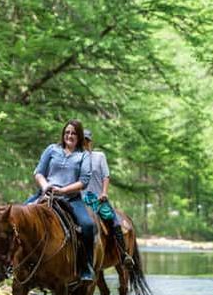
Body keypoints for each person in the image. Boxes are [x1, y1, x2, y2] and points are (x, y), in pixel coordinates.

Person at [27, 120, 97, 281]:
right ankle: (15, 264)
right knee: (17, 218)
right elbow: (39, 172)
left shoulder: (84, 156)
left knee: (88, 225)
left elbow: (83, 181)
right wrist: (46, 186)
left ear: (79, 136)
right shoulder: (52, 149)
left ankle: (86, 266)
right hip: (45, 194)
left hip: (70, 199)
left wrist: (63, 190)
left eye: (73, 133)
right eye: (67, 133)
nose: (69, 136)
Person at [82, 129, 134, 268]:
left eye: (86, 140)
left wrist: (104, 192)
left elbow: (106, 176)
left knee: (114, 222)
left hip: (98, 198)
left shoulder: (99, 156)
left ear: (90, 142)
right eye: (82, 140)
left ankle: (123, 255)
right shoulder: (75, 158)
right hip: (81, 199)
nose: (84, 143)